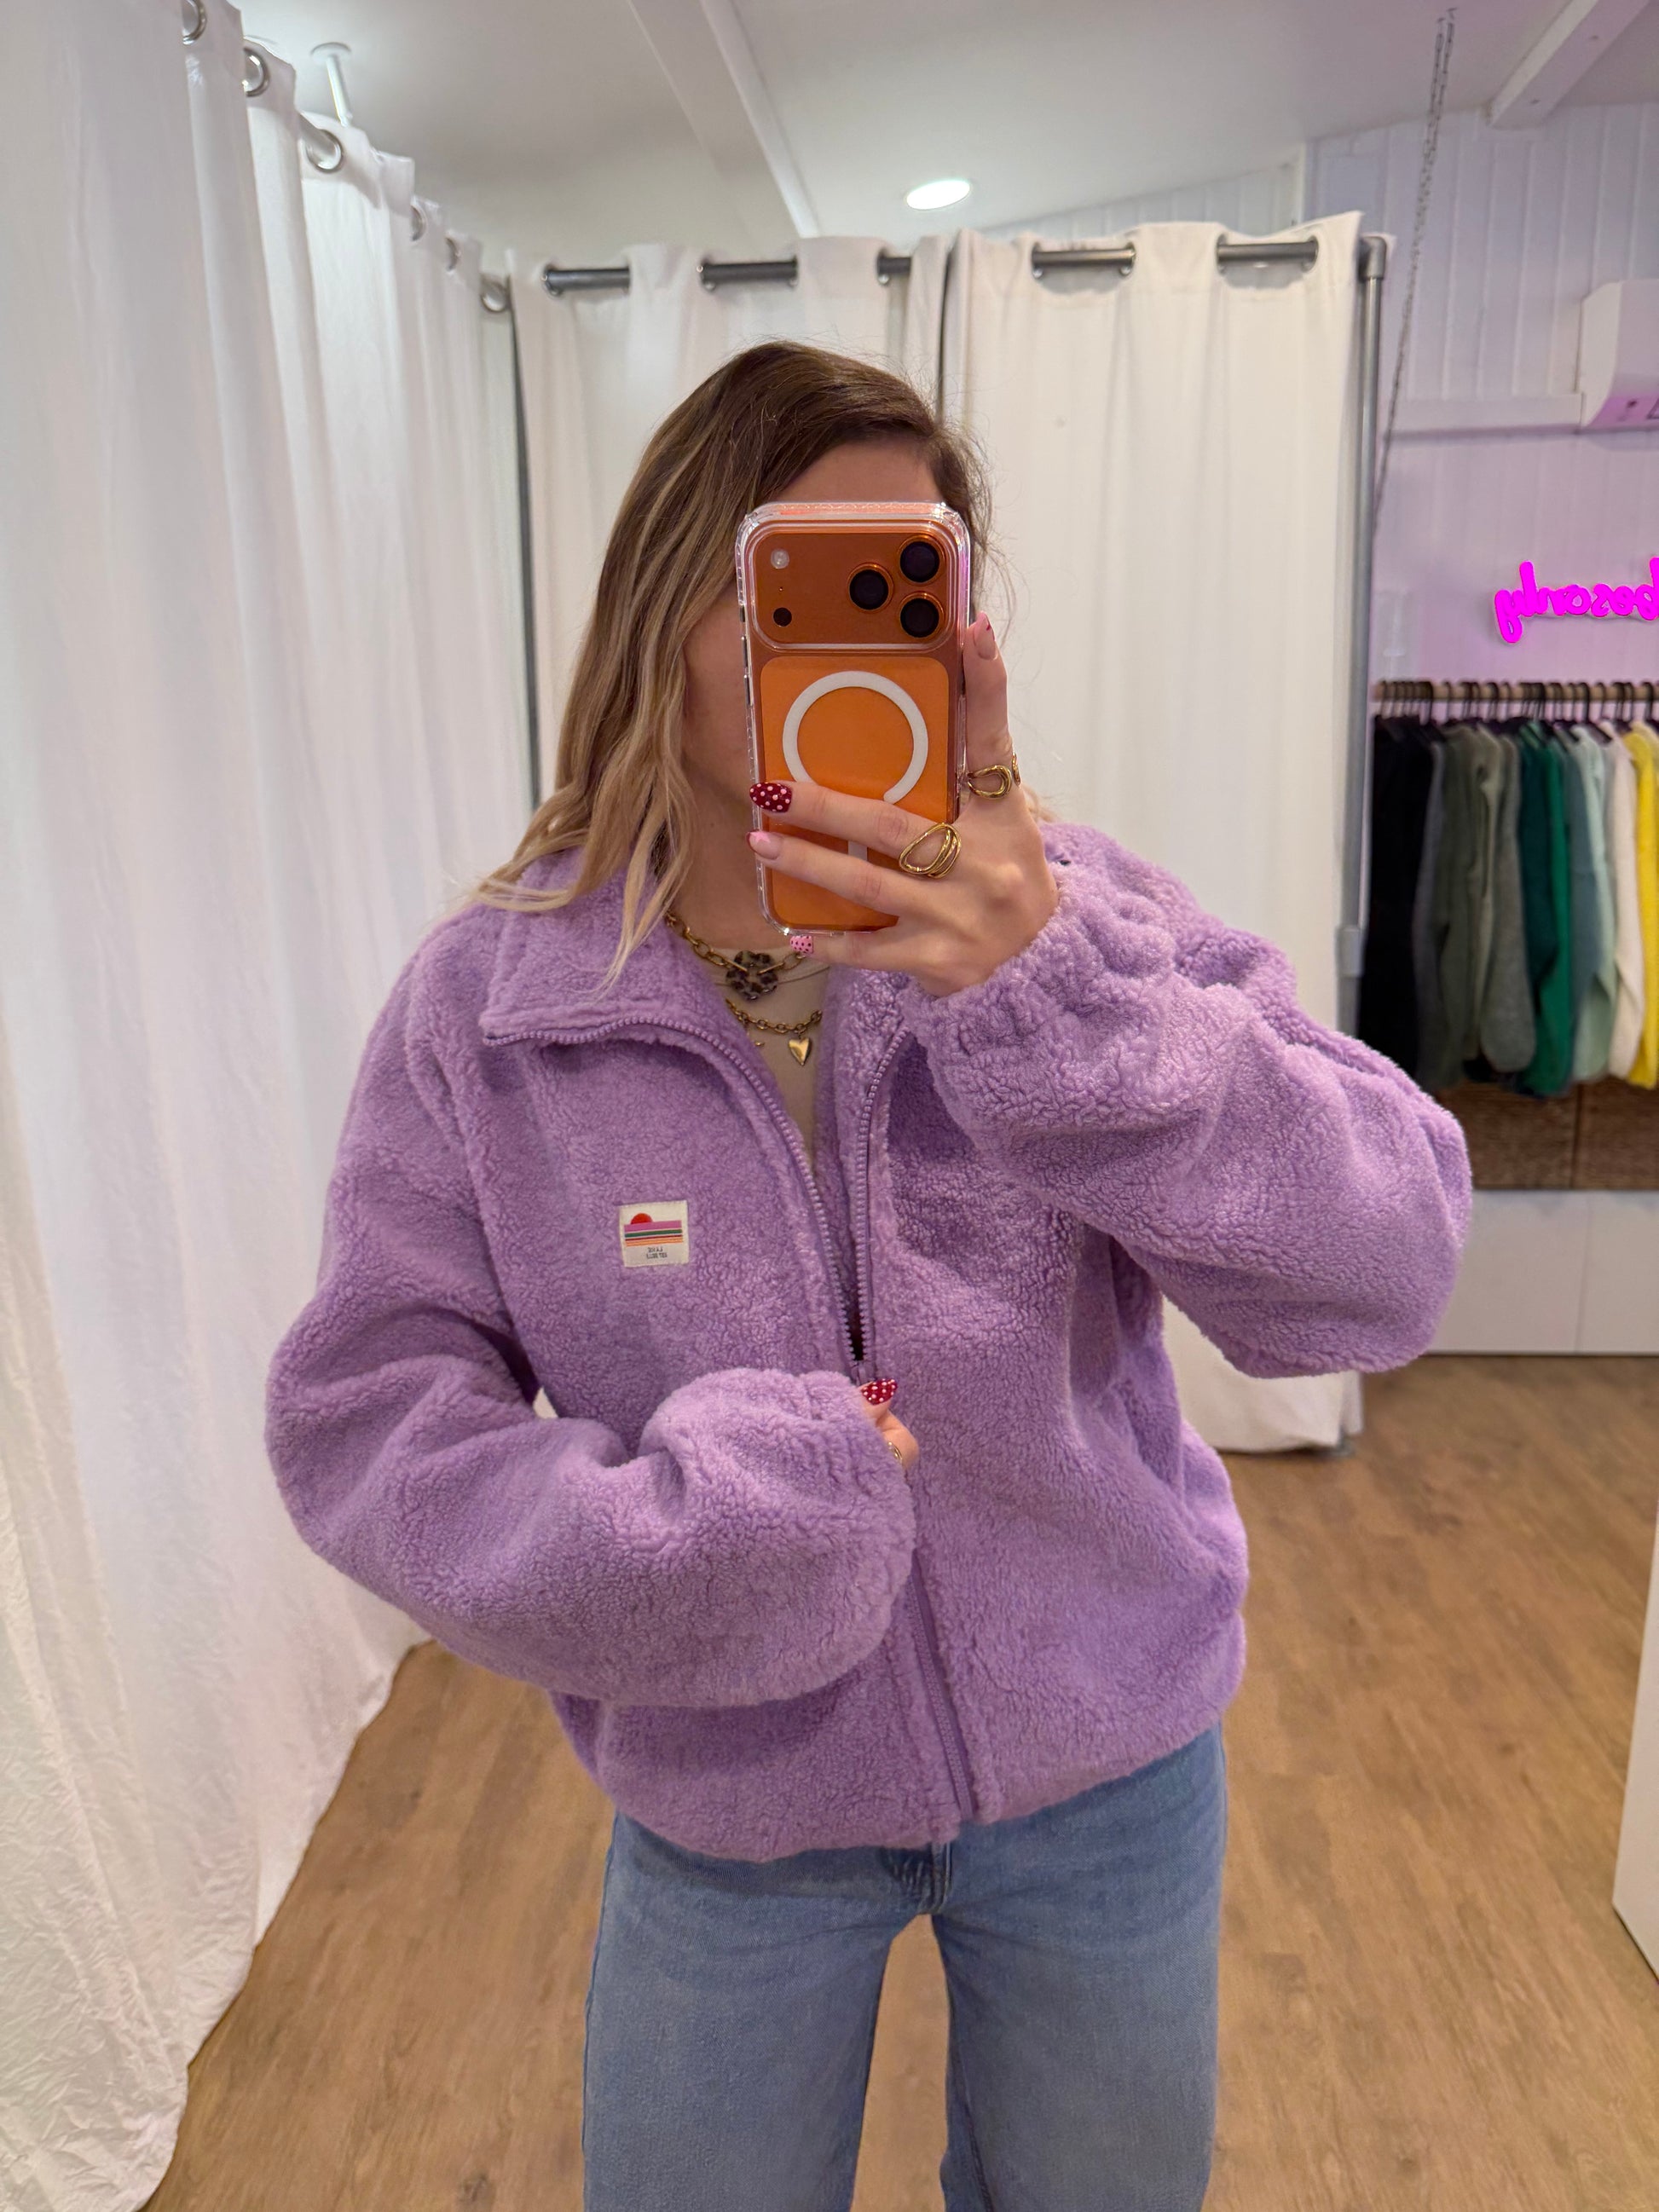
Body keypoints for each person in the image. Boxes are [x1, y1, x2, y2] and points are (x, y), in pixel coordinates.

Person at [264, 339, 1471, 2212]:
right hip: (730, 1789)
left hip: (1106, 1760)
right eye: (791, 591)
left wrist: (1056, 1001)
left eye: (905, 594)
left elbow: (1384, 1267)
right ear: (664, 613)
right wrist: (687, 1539)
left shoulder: (1078, 924)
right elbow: (367, 1420)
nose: (846, 657)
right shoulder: (495, 1007)